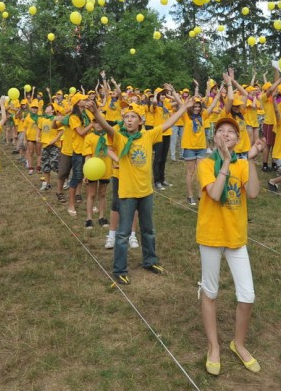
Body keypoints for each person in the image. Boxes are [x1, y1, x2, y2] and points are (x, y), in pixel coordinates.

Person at [89, 83, 189, 285]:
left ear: (141, 121)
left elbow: (168, 123)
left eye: (133, 117)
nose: (129, 119)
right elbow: (107, 126)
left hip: (146, 192)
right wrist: (95, 112)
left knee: (148, 229)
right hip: (127, 193)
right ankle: (119, 269)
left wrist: (183, 108)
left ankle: (150, 260)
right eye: (126, 117)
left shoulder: (148, 135)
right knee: (123, 232)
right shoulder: (119, 137)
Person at [197, 117, 264, 376]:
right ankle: (213, 347)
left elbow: (254, 193)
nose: (225, 135)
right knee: (210, 292)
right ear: (214, 138)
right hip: (211, 237)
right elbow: (214, 194)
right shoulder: (205, 164)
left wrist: (252, 161)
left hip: (236, 238)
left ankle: (239, 344)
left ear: (238, 140)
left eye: (231, 132)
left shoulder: (243, 164)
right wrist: (225, 162)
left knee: (247, 296)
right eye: (220, 131)